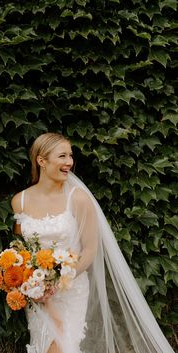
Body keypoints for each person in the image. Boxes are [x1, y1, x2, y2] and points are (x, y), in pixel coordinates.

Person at [11, 132, 175, 353]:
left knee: (62, 348)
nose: (69, 162)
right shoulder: (20, 201)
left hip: (70, 290)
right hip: (37, 294)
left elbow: (89, 251)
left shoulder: (78, 198)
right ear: (42, 160)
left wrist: (58, 283)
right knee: (42, 346)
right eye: (62, 156)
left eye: (70, 155)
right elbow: (21, 251)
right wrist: (28, 281)